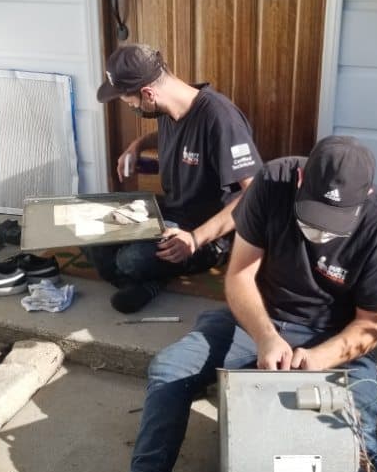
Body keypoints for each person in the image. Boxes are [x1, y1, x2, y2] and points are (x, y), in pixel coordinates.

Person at [29, 135, 377, 472]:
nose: (321, 233)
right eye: (313, 218)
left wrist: (317, 359)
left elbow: (372, 324)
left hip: (333, 337)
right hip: (259, 319)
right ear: (301, 181)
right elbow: (238, 276)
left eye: (333, 225)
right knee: (170, 370)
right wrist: (267, 337)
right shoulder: (274, 182)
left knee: (359, 430)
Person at [90, 44, 263, 313]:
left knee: (131, 260)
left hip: (205, 236)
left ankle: (146, 279)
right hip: (168, 210)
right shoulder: (168, 108)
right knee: (89, 227)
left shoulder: (219, 118)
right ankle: (151, 281)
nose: (133, 108)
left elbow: (255, 195)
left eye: (130, 103)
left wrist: (194, 239)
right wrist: (138, 144)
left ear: (148, 93)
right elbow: (169, 134)